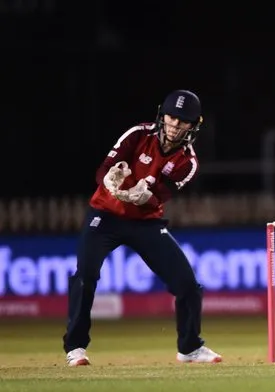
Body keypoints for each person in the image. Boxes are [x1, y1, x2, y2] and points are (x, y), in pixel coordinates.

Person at [63, 90, 222, 366]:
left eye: (183, 121)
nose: (175, 125)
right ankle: (75, 347)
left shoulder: (188, 162)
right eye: (172, 117)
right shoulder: (138, 134)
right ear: (162, 115)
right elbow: (104, 169)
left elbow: (162, 195)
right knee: (85, 275)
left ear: (193, 126)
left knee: (188, 285)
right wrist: (109, 180)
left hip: (145, 222)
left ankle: (190, 348)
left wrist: (145, 195)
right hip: (104, 215)